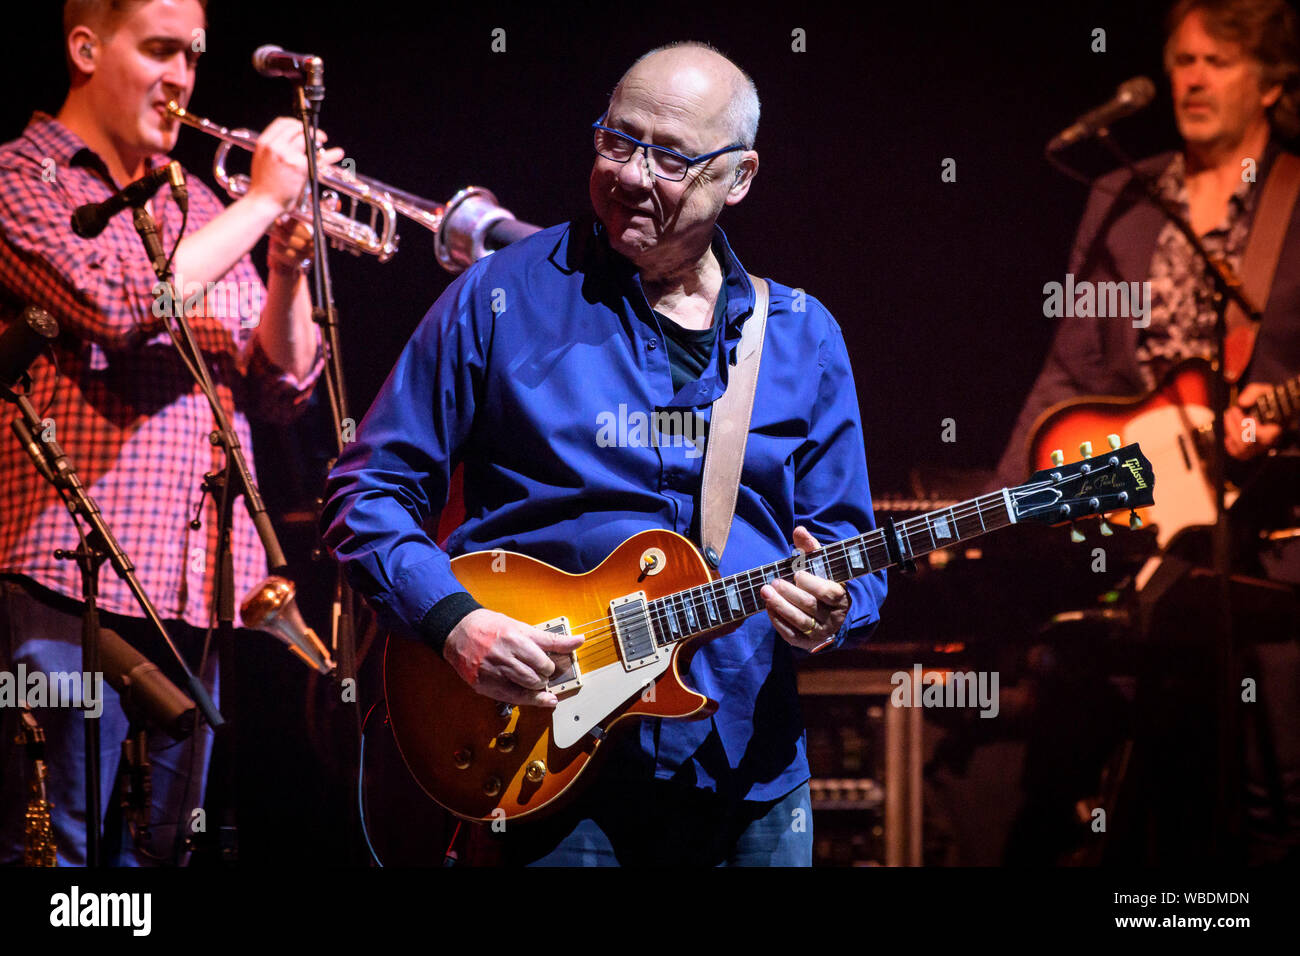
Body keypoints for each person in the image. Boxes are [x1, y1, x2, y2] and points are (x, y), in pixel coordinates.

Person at [322, 41, 887, 866]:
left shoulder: (805, 334)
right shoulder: (497, 298)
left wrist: (836, 610)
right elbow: (367, 491)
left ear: (740, 177)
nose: (630, 175)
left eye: (670, 159)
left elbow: (849, 550)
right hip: (540, 758)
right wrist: (453, 622)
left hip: (746, 774)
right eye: (617, 141)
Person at [0, 0, 329, 865]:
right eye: (157, 51)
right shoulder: (24, 179)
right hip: (61, 594)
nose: (182, 78)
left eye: (190, 55)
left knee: (161, 865)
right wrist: (263, 202)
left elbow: (282, 391)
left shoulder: (202, 205)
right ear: (83, 47)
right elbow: (113, 304)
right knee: (52, 855)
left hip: (194, 599)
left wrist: (290, 269)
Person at [996, 0, 1300, 863]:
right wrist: (1005, 505)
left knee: (1265, 809)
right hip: (1138, 537)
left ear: (1274, 82)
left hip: (1272, 547)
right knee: (1098, 804)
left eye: (1218, 62)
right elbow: (1072, 373)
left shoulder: (1295, 200)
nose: (1191, 80)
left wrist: (1273, 424)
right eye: (1181, 61)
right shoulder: (1124, 194)